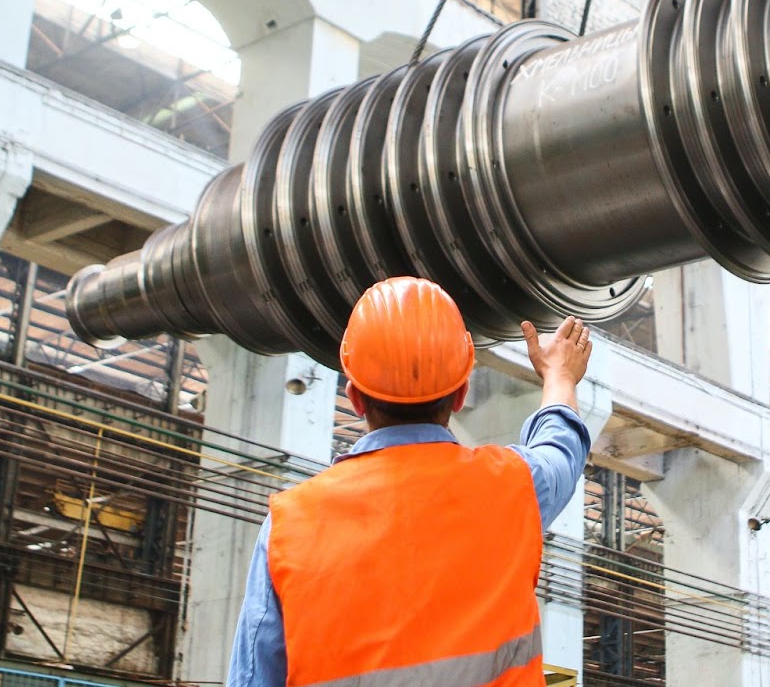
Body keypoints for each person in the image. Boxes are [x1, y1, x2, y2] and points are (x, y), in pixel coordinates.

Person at [226, 275, 595, 687]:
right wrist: (559, 375)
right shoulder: (514, 488)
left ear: (354, 396)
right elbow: (561, 449)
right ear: (460, 394)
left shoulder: (288, 528)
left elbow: (254, 677)